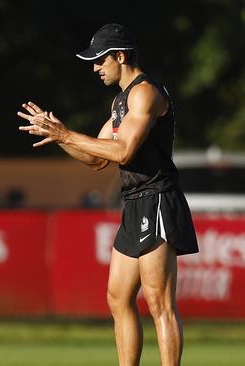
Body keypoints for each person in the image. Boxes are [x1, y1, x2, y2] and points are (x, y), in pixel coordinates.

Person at [17, 24, 199, 366]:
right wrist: (60, 138)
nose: (95, 67)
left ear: (120, 56)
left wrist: (68, 133)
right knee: (118, 298)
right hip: (134, 202)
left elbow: (123, 152)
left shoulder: (145, 93)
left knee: (159, 303)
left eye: (100, 60)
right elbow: (97, 158)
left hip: (157, 197)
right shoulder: (120, 101)